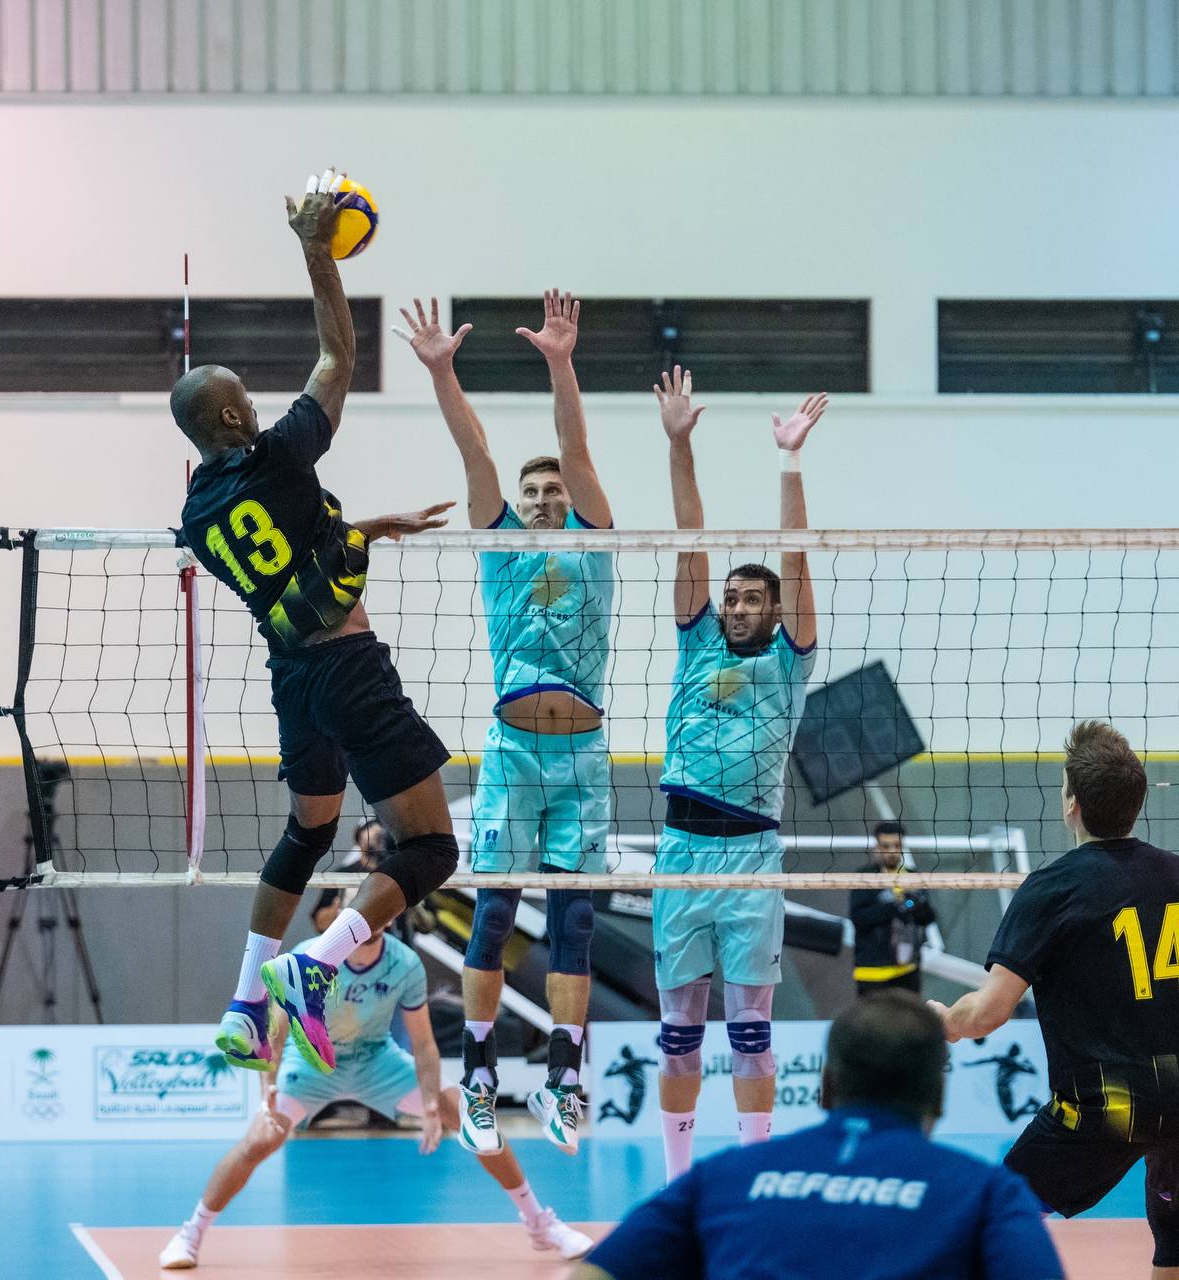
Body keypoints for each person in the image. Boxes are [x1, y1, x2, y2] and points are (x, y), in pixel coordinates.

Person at [174, 168, 460, 1079]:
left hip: (293, 681)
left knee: (308, 831)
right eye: (246, 399)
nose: (258, 404)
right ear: (231, 415)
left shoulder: (197, 517)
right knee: (431, 848)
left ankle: (244, 1005)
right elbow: (338, 358)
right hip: (348, 670)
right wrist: (315, 251)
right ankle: (316, 964)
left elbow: (294, 566)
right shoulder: (276, 455)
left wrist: (368, 527)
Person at [395, 292, 614, 1158]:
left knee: (574, 924)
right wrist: (441, 373)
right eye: (533, 492)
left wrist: (562, 363)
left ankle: (564, 1079)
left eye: (554, 490)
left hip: (584, 757)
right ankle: (479, 1077)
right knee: (494, 913)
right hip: (515, 754)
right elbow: (475, 451)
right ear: (516, 505)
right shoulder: (500, 549)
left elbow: (578, 449)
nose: (544, 497)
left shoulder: (596, 545)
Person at [158, 891, 592, 1269]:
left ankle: (541, 1224)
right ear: (343, 914)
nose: (371, 916)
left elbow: (423, 1044)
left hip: (376, 1060)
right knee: (259, 1140)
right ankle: (190, 1234)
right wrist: (265, 1093)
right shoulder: (311, 956)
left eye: (378, 910)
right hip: (310, 1066)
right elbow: (278, 1029)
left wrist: (429, 1103)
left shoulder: (404, 963)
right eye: (359, 907)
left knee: (470, 1118)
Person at [650, 368, 826, 1180]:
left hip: (753, 856)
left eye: (754, 598)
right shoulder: (697, 642)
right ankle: (679, 1181)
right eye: (732, 598)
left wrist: (789, 461)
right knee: (678, 1033)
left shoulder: (790, 663)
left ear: (775, 609)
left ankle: (753, 1174)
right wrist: (677, 445)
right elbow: (690, 533)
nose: (739, 606)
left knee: (751, 1032)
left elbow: (796, 555)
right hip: (682, 853)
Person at [571, 992, 1064, 1280]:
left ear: (825, 1085)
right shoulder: (989, 1195)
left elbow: (594, 1272)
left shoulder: (722, 1177)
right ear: (937, 1092)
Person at [930, 719, 1179, 1279]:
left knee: (995, 1217)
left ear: (1072, 804)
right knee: (1173, 1243)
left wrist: (941, 1022)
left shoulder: (1053, 887)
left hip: (1109, 1105)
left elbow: (987, 1013)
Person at [850, 820, 937, 997]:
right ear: (877, 847)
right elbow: (859, 918)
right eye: (886, 846)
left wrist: (915, 901)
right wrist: (894, 905)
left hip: (907, 969)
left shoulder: (912, 877)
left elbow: (928, 918)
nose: (891, 851)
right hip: (872, 971)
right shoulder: (864, 877)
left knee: (910, 1015)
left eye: (896, 845)